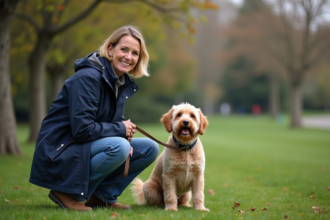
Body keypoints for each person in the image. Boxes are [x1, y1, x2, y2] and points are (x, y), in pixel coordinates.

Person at [29, 26, 159, 211]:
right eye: (124, 49)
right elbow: (82, 130)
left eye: (135, 53)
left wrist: (123, 132)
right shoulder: (88, 78)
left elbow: (110, 121)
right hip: (60, 148)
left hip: (81, 145)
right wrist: (120, 130)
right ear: (110, 49)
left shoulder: (119, 81)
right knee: (119, 147)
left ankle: (102, 196)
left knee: (149, 148)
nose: (129, 57)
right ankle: (68, 193)